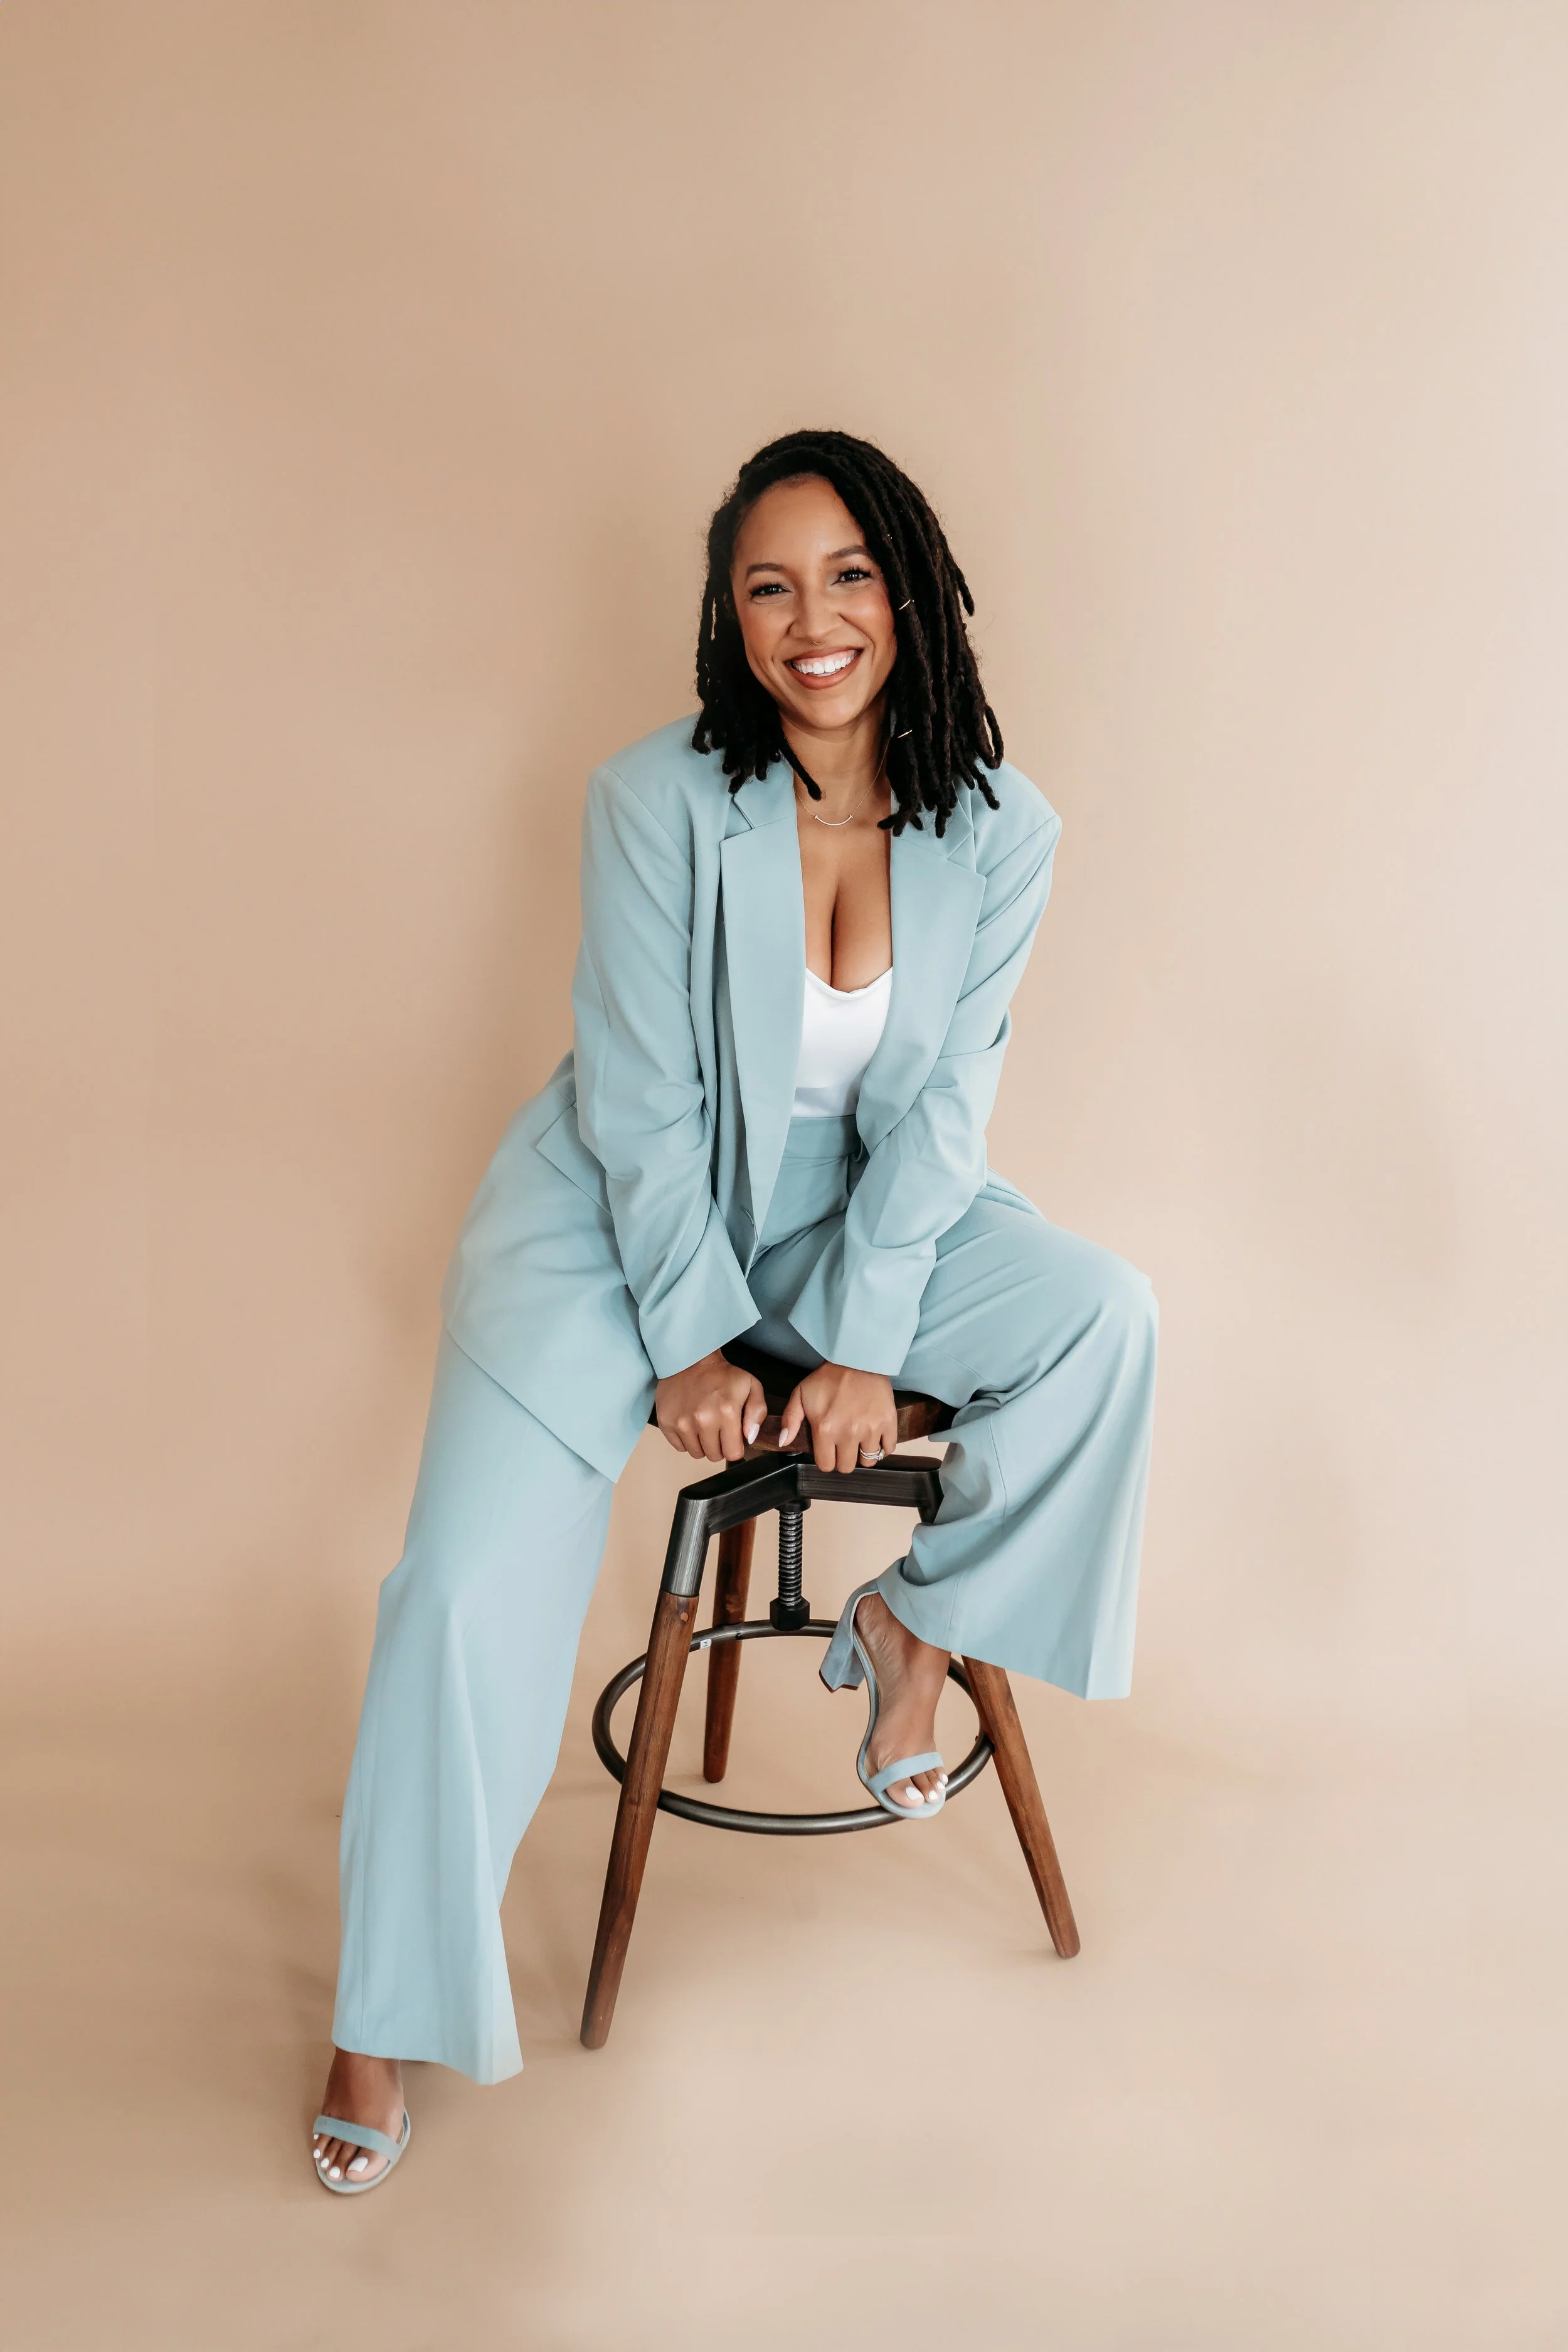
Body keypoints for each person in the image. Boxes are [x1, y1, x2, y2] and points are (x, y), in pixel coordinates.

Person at [311, 429, 1158, 2191]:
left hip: (851, 1226)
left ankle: (913, 1626)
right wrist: (689, 1337)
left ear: (910, 592)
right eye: (768, 587)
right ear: (729, 617)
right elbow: (638, 1102)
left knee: (1103, 1320)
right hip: (616, 1225)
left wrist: (858, 1343)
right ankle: (380, 2010)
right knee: (455, 1590)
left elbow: (943, 1117)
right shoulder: (655, 799)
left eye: (848, 575)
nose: (811, 620)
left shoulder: (1003, 830)